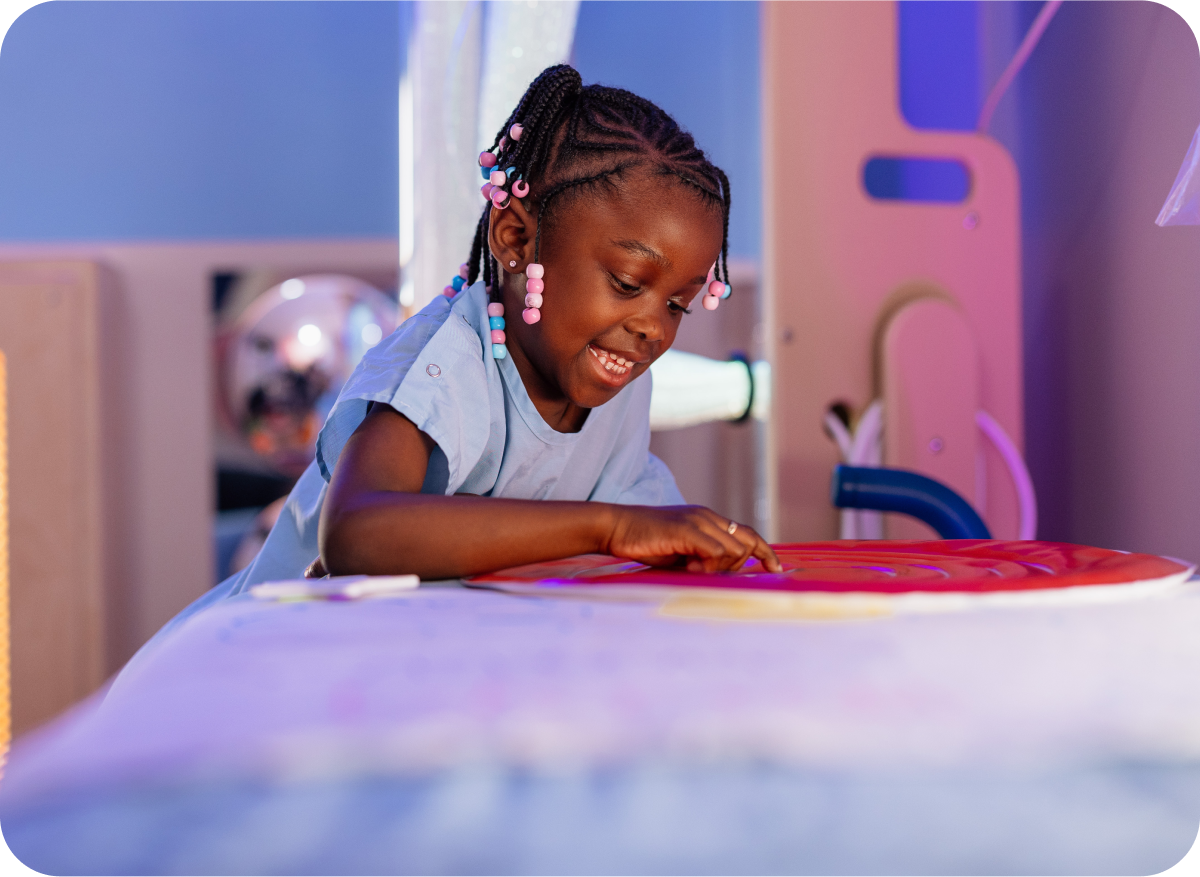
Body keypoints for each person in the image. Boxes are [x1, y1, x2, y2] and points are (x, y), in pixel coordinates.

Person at [227, 64, 780, 595]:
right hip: (259, 663)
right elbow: (356, 534)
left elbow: (638, 533)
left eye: (679, 305)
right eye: (628, 284)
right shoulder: (445, 361)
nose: (653, 328)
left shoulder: (617, 382)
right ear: (515, 239)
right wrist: (608, 527)